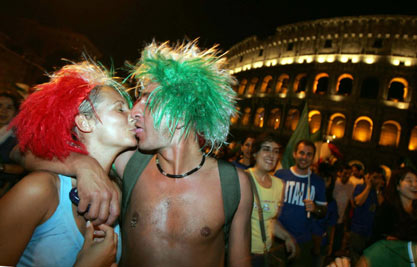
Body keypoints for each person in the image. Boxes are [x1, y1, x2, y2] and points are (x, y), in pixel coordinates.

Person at [21, 40, 253, 267]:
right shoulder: (131, 163)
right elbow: (22, 153)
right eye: (137, 98)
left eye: (148, 100)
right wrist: (83, 165)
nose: (134, 110)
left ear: (181, 114)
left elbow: (240, 260)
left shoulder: (234, 184)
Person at [0, 61, 136, 266]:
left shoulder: (117, 192)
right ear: (84, 122)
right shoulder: (40, 189)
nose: (133, 116)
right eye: (120, 109)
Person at [275, 139, 327, 267]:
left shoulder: (318, 182)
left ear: (313, 158)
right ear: (294, 154)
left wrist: (315, 209)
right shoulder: (280, 175)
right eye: (301, 153)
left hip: (303, 242)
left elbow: (323, 212)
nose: (304, 157)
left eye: (309, 154)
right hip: (278, 239)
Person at [247, 134, 296, 267]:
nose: (271, 155)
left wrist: (287, 237)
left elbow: (270, 221)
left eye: (275, 151)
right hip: (243, 254)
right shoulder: (243, 179)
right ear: (255, 153)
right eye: (266, 149)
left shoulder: (279, 184)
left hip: (264, 255)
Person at [348, 167, 385, 266]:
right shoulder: (360, 187)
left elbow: (381, 204)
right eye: (375, 177)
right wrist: (368, 186)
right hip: (358, 230)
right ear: (368, 176)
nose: (377, 180)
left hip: (370, 231)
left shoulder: (377, 191)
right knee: (355, 259)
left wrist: (377, 189)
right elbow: (358, 202)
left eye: (379, 178)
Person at [0, 92, 25, 196]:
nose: (3, 111)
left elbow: (23, 168)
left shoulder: (18, 138)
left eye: (9, 108)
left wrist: (2, 167)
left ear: (15, 113)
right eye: (0, 106)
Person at [332, 164, 354, 255]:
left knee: (337, 243)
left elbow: (350, 201)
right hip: (331, 219)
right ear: (340, 173)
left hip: (341, 220)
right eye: (345, 173)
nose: (347, 176)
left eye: (349, 174)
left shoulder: (351, 185)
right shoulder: (335, 183)